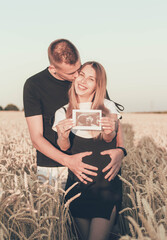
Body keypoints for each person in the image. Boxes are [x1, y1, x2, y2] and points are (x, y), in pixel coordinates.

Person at [23, 39, 125, 188]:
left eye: (79, 68)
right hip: (52, 167)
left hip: (90, 165)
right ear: (53, 68)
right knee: (50, 210)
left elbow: (112, 118)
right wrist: (68, 161)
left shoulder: (88, 80)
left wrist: (121, 150)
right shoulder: (34, 85)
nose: (78, 75)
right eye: (72, 73)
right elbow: (36, 138)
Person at [52, 61, 127, 240]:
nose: (83, 81)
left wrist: (110, 132)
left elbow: (113, 141)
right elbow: (64, 148)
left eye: (91, 78)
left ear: (98, 85)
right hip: (78, 187)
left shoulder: (109, 107)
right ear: (75, 76)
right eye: (81, 75)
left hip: (105, 186)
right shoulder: (62, 112)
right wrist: (63, 135)